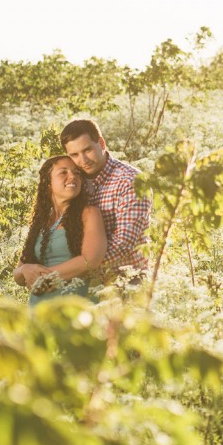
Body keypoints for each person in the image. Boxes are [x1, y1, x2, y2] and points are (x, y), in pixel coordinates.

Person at [60, 119, 150, 281]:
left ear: (101, 143)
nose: (82, 160)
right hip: (80, 285)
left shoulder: (131, 181)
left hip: (127, 282)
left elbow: (123, 243)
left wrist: (71, 271)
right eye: (74, 155)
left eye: (87, 150)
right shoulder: (72, 183)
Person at [13, 155, 106, 305]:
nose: (72, 177)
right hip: (39, 309)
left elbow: (91, 260)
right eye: (63, 172)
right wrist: (25, 270)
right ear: (48, 182)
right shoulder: (40, 222)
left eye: (77, 173)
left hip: (76, 308)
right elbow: (18, 274)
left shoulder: (89, 213)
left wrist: (44, 278)